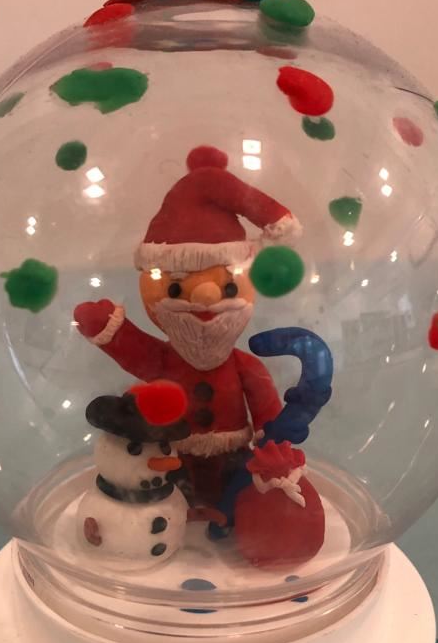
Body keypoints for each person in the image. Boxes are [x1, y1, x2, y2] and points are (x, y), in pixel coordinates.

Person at [74, 145, 301, 505]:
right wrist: (107, 328)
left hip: (232, 454)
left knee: (234, 491)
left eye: (228, 288)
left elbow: (265, 407)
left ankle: (230, 512)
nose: (206, 298)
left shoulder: (243, 366)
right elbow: (137, 353)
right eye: (176, 288)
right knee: (174, 491)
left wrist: (273, 439)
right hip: (170, 451)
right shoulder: (165, 360)